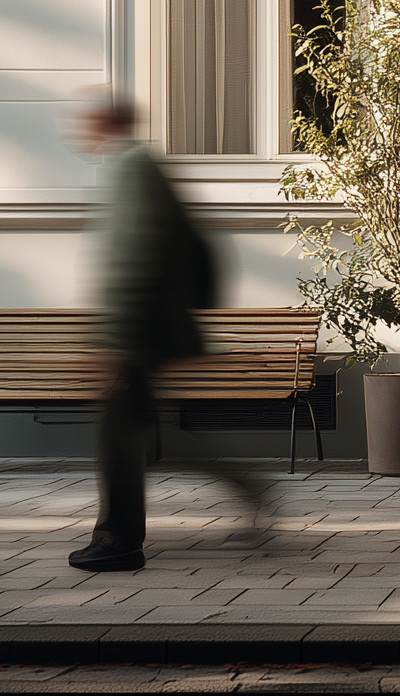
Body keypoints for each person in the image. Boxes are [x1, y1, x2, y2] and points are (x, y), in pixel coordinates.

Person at [67, 91, 273, 572]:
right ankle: (251, 486)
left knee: (118, 435)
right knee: (146, 436)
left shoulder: (130, 168)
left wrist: (117, 340)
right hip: (149, 326)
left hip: (139, 331)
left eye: (83, 121)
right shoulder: (138, 165)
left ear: (104, 123)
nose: (76, 132)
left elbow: (132, 256)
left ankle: (119, 539)